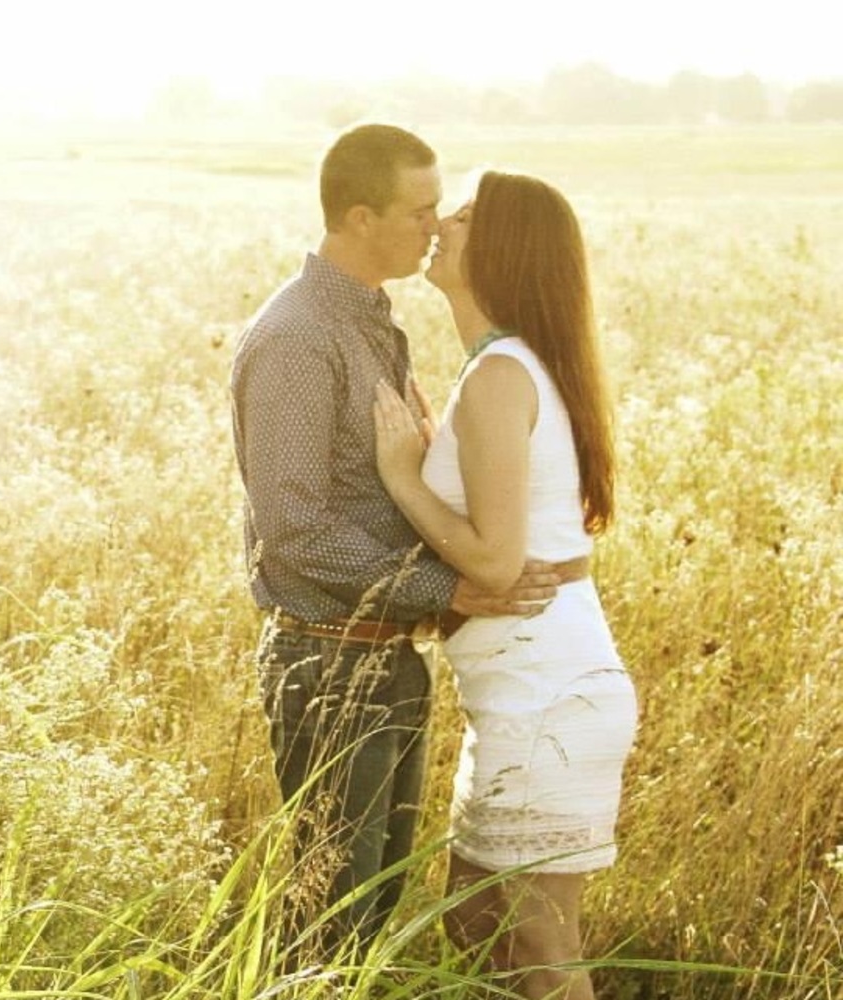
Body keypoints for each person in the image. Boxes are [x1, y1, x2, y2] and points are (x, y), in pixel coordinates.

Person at [230, 125, 577, 960]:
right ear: (358, 216)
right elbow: (293, 529)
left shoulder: (371, 324)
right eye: (421, 211)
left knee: (373, 904)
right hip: (327, 660)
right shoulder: (298, 338)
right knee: (329, 917)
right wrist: (449, 591)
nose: (438, 225)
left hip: (387, 656)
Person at [373, 171, 638, 998]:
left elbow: (493, 561)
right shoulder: (502, 370)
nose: (444, 221)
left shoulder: (500, 376)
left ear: (505, 249)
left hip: (546, 695)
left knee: (538, 945)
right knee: (477, 923)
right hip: (532, 691)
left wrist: (403, 475)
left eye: (469, 215)